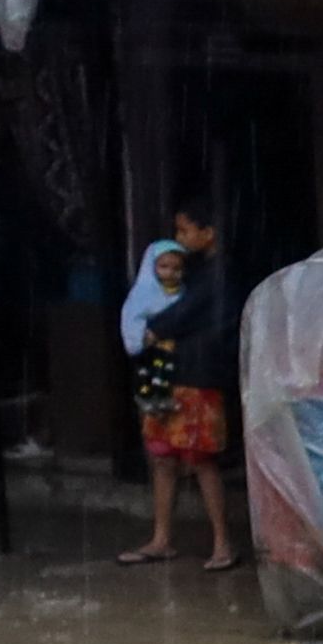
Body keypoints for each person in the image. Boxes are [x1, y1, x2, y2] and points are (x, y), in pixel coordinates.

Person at [119, 208, 238, 570]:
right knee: (164, 458)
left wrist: (154, 330)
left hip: (198, 376)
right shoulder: (197, 271)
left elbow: (185, 314)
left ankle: (222, 544)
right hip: (172, 376)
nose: (182, 238)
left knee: (201, 460)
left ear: (210, 231)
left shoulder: (216, 276)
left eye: (186, 230)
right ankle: (162, 539)